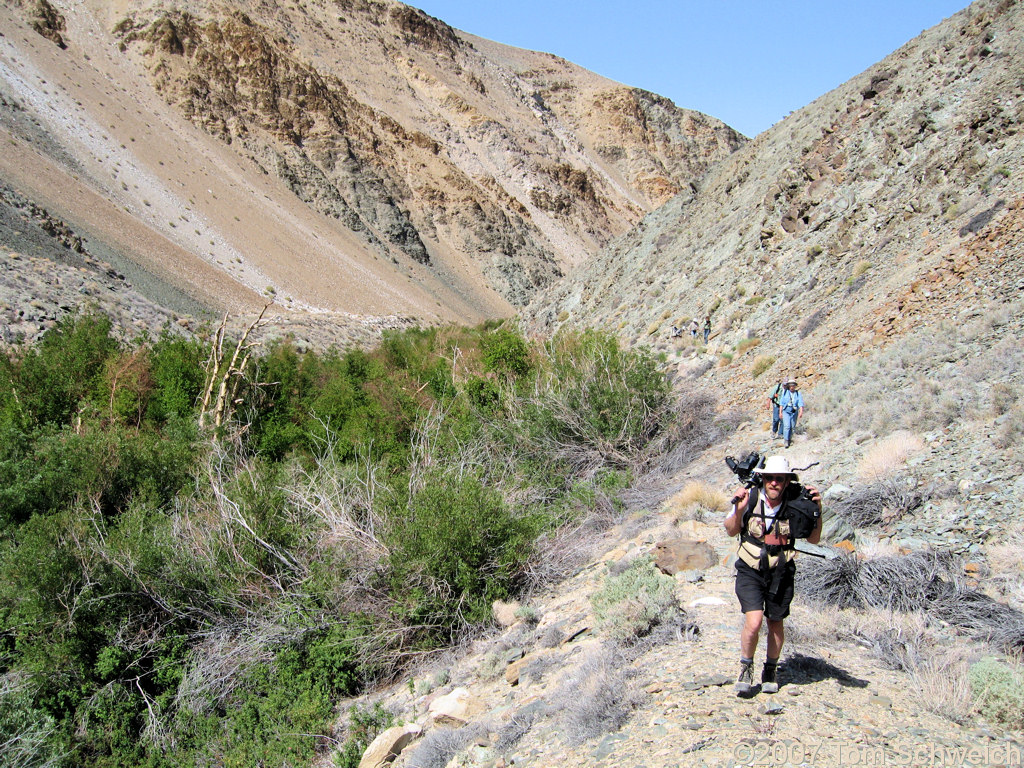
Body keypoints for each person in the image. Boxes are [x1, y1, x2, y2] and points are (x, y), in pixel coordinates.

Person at [724, 456, 822, 696]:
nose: (774, 483)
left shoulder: (798, 503)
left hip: (781, 571)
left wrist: (818, 511)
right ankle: (746, 667)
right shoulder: (751, 498)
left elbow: (814, 539)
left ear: (787, 481)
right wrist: (739, 509)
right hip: (750, 568)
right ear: (763, 479)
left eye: (780, 479)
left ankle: (770, 669)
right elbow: (730, 530)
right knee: (754, 620)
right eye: (770, 478)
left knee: (775, 622)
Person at [778, 378, 804, 448]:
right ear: (789, 386)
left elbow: (800, 403)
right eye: (791, 386)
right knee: (787, 426)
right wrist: (780, 412)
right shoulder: (785, 393)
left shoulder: (798, 393)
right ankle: (786, 440)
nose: (792, 387)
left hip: (794, 411)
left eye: (793, 386)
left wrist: (801, 411)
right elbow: (782, 403)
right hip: (786, 411)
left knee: (792, 427)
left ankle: (790, 438)